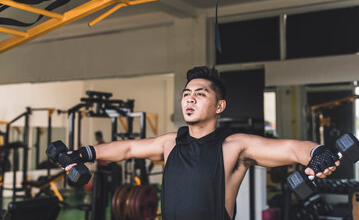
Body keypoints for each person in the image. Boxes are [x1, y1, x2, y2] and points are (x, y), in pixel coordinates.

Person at [59, 66, 340, 220]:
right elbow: (128, 148)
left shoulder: (235, 146)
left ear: (220, 106)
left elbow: (291, 148)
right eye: (186, 93)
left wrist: (318, 153)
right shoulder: (171, 143)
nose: (190, 98)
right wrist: (83, 153)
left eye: (200, 94)